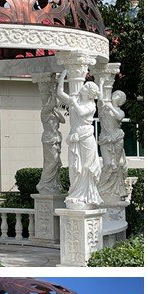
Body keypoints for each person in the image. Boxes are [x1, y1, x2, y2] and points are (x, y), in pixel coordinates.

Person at [56, 70, 101, 209]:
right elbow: (60, 94)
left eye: (85, 87)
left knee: (86, 167)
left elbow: (81, 112)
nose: (82, 87)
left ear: (89, 92)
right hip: (75, 137)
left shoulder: (91, 105)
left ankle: (87, 196)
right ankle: (76, 194)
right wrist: (62, 78)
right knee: (75, 167)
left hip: (86, 137)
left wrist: (74, 101)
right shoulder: (75, 100)